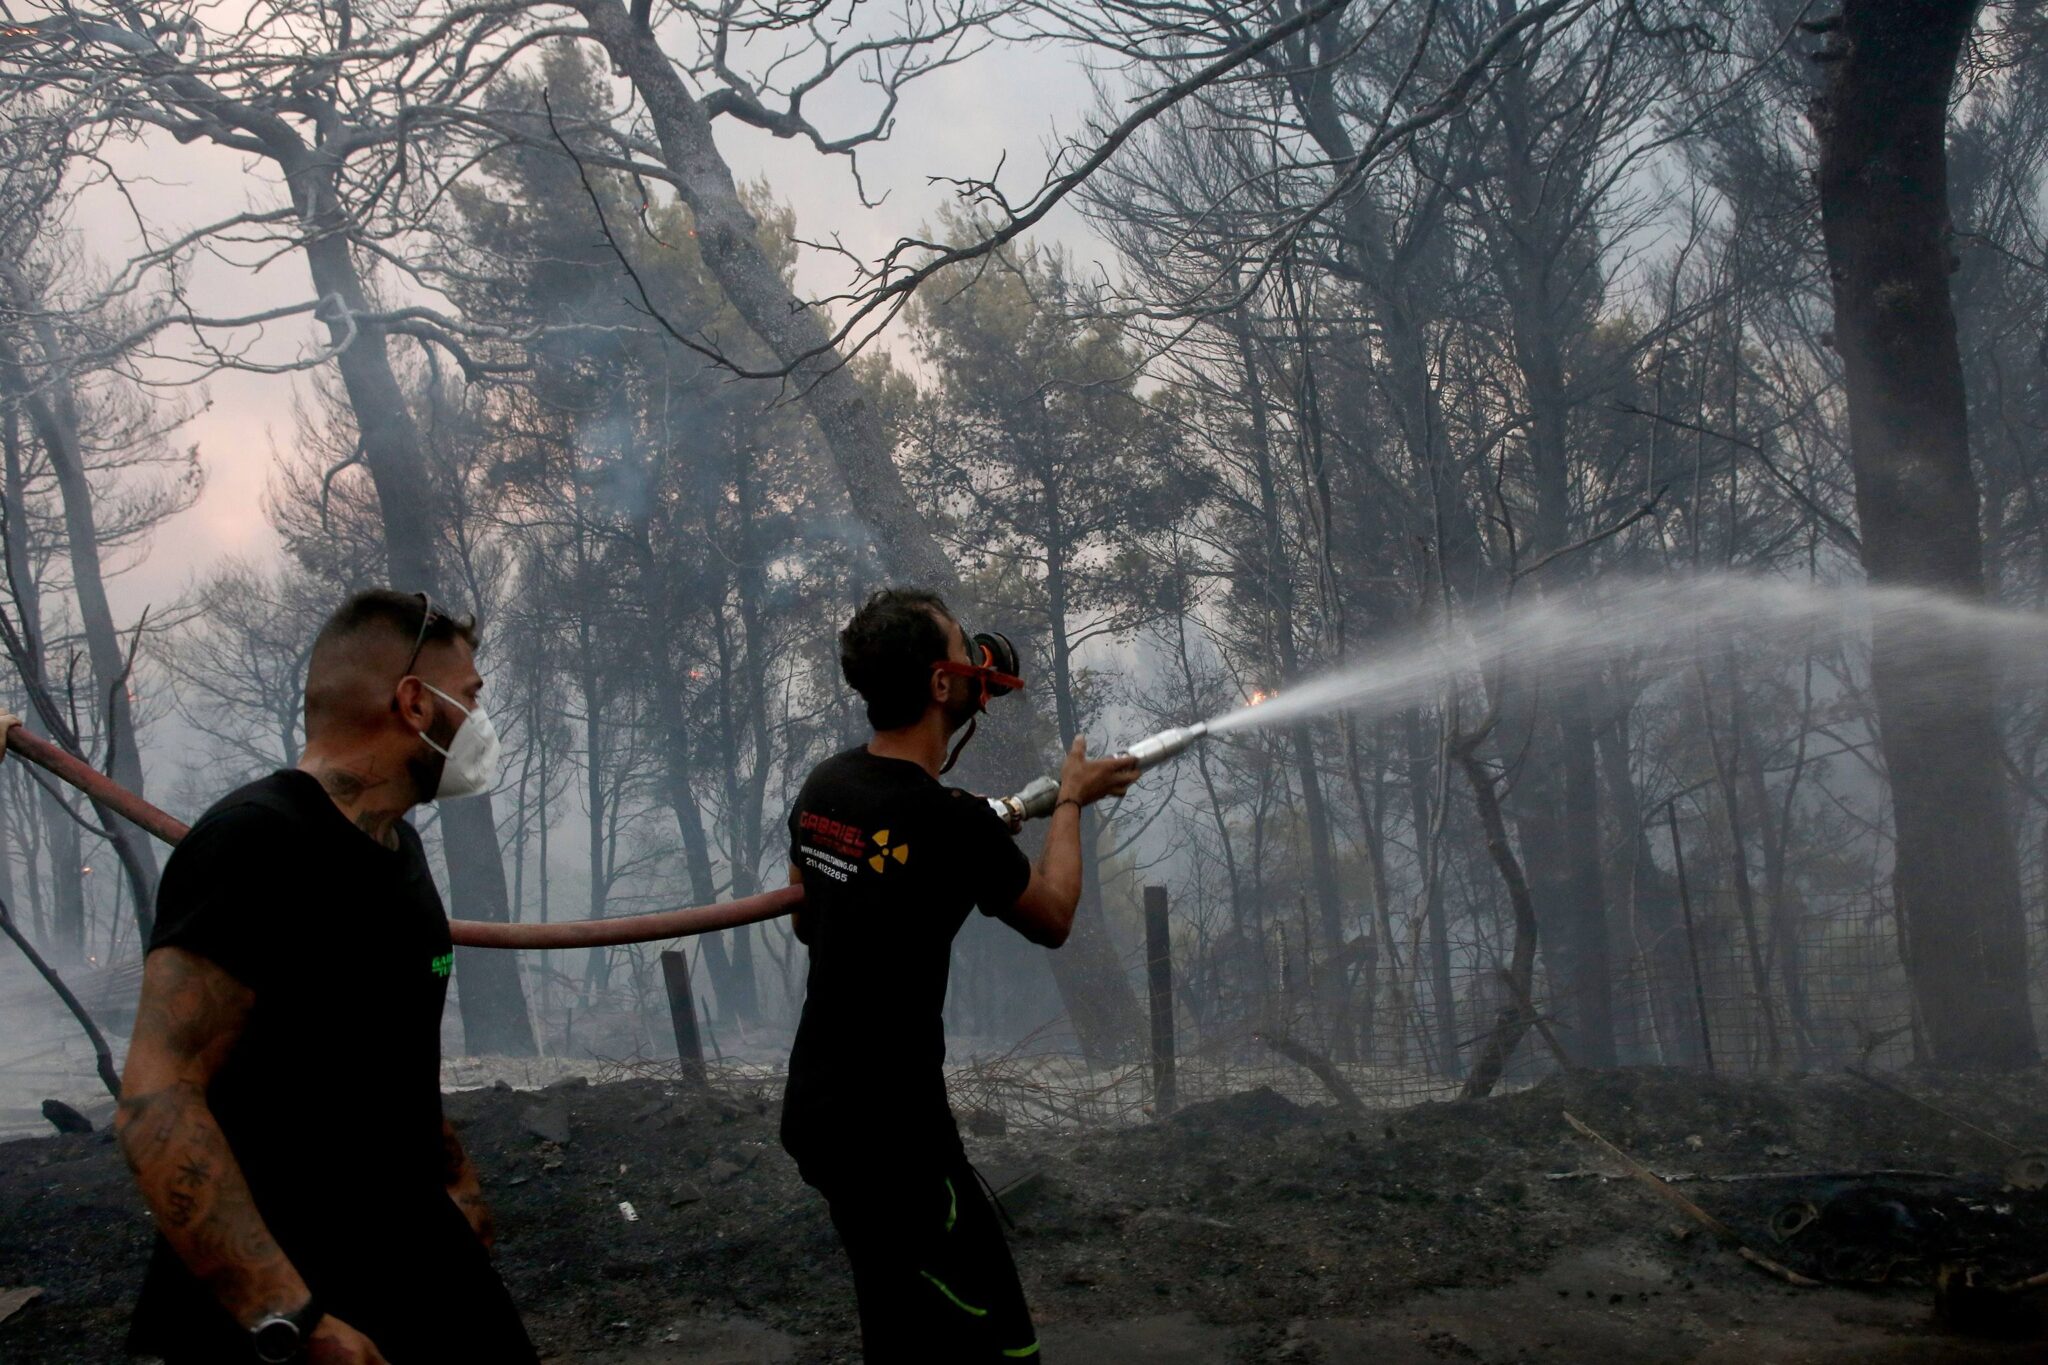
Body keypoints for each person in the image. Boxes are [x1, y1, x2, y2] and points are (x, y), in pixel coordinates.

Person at [116, 589, 537, 1365]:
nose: (481, 721)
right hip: (291, 1300)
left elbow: (380, 1052)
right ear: (415, 700)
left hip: (414, 1260)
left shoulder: (396, 849)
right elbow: (156, 1097)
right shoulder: (254, 844)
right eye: (471, 696)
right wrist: (288, 1318)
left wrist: (453, 1180)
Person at [782, 587, 1140, 1362]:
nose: (979, 657)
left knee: (897, 1309)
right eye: (960, 645)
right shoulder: (949, 821)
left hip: (818, 1109)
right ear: (941, 684)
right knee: (991, 1338)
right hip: (895, 1136)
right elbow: (1051, 915)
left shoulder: (825, 786)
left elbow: (809, 919)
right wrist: (1072, 800)